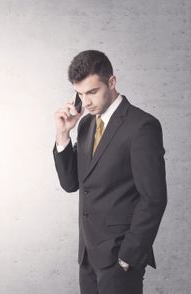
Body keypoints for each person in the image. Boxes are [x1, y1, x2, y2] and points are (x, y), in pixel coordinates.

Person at [52, 50, 167, 294]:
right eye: (81, 94)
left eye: (92, 92)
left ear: (111, 82)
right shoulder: (84, 124)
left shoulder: (142, 126)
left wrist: (128, 257)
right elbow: (71, 183)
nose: (87, 101)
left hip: (120, 259)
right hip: (87, 256)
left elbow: (154, 199)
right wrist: (63, 135)